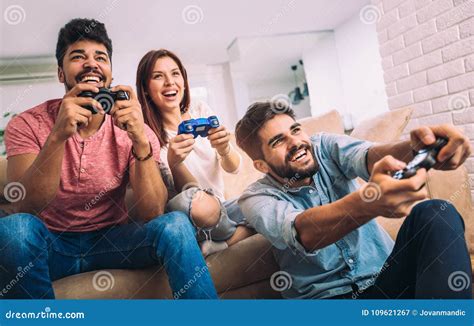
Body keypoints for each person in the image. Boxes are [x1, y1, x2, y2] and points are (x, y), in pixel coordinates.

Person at [0, 19, 217, 299]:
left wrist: (139, 139)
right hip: (50, 244)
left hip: (113, 241)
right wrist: (57, 137)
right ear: (60, 73)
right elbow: (26, 206)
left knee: (175, 224)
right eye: (78, 57)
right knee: (14, 230)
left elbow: (152, 212)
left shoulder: (132, 124)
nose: (91, 64)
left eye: (100, 58)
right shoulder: (28, 123)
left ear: (110, 74)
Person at [235, 101, 472, 299]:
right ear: (261, 165)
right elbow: (304, 232)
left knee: (435, 211)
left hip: (387, 279)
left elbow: (370, 156)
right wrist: (368, 203)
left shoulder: (323, 147)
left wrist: (417, 149)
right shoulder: (256, 198)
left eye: (295, 130)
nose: (295, 142)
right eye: (278, 141)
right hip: (330, 304)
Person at [136, 49, 254, 257]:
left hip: (222, 207)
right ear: (145, 89)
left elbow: (235, 168)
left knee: (266, 197)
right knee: (197, 202)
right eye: (158, 76)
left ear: (183, 79)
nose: (169, 82)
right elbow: (190, 196)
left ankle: (223, 242)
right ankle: (235, 230)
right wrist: (175, 164)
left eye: (175, 74)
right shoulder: (149, 138)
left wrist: (224, 149)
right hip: (194, 217)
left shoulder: (201, 110)